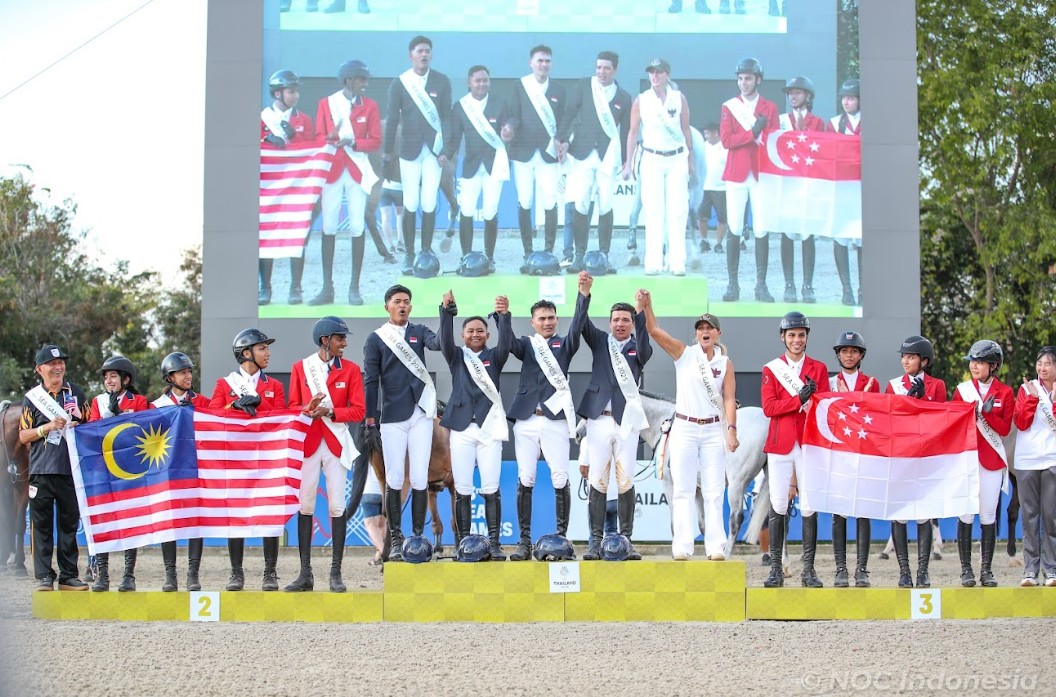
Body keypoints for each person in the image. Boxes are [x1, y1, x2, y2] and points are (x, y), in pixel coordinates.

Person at [502, 278, 589, 560]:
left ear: (556, 320)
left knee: (560, 477)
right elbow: (508, 343)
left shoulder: (565, 344)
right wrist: (504, 315)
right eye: (542, 318)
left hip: (555, 420)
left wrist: (583, 295)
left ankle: (561, 538)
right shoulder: (527, 345)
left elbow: (578, 325)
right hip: (527, 419)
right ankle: (524, 542)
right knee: (525, 477)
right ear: (533, 322)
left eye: (551, 318)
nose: (547, 322)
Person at [644, 307, 738, 564]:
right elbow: (654, 330)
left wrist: (731, 430)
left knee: (714, 490)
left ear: (718, 333)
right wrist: (647, 306)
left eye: (709, 328)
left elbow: (729, 399)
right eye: (700, 329)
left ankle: (716, 546)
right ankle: (682, 546)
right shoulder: (684, 354)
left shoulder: (725, 363)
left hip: (712, 429)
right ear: (696, 334)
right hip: (685, 427)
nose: (704, 332)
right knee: (683, 489)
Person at [286, 316, 366, 592]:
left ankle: (335, 573)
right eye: (340, 338)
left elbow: (358, 410)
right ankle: (305, 574)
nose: (344, 343)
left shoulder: (351, 370)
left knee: (337, 505)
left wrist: (331, 411)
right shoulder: (301, 368)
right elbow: (292, 406)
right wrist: (307, 408)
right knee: (305, 505)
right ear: (325, 340)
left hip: (335, 442)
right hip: (308, 442)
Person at [362, 284, 442, 561]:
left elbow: (439, 344)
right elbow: (371, 381)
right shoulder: (376, 339)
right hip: (393, 416)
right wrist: (370, 420)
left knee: (419, 476)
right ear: (387, 306)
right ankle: (395, 539)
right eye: (397, 301)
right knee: (394, 477)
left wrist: (446, 314)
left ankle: (417, 537)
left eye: (406, 301)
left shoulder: (419, 331)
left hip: (421, 413)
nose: (403, 305)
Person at [575, 277, 652, 560]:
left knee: (626, 480)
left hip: (626, 422)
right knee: (597, 481)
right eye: (616, 320)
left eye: (626, 320)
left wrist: (641, 311)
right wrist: (584, 294)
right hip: (598, 419)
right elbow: (580, 324)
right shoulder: (599, 341)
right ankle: (595, 543)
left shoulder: (639, 348)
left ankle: (625, 541)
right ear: (609, 323)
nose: (620, 324)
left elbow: (644, 348)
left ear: (632, 324)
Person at [210, 328, 287, 591]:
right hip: (236, 458)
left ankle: (270, 572)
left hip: (266, 458)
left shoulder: (275, 386)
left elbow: (280, 420)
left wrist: (260, 405)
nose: (268, 353)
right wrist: (233, 406)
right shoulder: (224, 384)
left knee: (270, 513)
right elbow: (213, 417)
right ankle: (236, 573)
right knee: (235, 515)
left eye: (267, 348)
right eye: (262, 348)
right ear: (246, 353)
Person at [438, 290, 513, 558]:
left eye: (480, 330)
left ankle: (494, 543)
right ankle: (464, 543)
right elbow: (444, 339)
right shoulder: (456, 356)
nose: (475, 334)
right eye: (470, 331)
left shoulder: (496, 356)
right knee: (463, 489)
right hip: (462, 429)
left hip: (489, 429)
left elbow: (506, 342)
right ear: (463, 335)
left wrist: (504, 316)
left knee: (491, 487)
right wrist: (446, 311)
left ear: (487, 334)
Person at [761, 312, 829, 587]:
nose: (797, 340)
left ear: (806, 338)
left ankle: (808, 570)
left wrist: (811, 401)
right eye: (792, 335)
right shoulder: (771, 369)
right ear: (783, 337)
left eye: (801, 335)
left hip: (809, 443)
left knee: (809, 505)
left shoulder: (819, 369)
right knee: (778, 504)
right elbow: (769, 408)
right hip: (781, 443)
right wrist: (798, 399)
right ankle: (776, 569)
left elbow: (824, 408)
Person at [19, 345, 89, 591]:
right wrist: (46, 428)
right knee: (42, 526)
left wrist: (80, 421)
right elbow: (23, 435)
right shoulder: (32, 398)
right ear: (40, 369)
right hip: (41, 470)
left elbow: (89, 425)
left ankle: (68, 576)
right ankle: (44, 577)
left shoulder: (76, 393)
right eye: (52, 364)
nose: (58, 367)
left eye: (61, 363)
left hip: (70, 470)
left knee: (69, 526)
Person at [557, 51, 632, 274]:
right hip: (582, 153)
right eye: (598, 67)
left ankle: (603, 256)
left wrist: (627, 161)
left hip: (608, 156)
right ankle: (579, 255)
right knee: (580, 203)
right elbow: (568, 114)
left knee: (606, 204)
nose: (601, 72)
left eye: (606, 68)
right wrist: (562, 139)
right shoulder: (584, 86)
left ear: (615, 70)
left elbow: (626, 132)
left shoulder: (624, 97)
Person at [314, 60, 382, 306]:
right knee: (329, 226)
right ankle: (327, 288)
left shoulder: (370, 106)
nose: (365, 84)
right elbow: (319, 137)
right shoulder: (326, 104)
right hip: (332, 169)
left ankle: (354, 287)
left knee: (356, 226)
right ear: (349, 80)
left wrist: (353, 142)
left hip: (356, 170)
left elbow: (375, 140)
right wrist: (330, 138)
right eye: (361, 79)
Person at [384, 36, 453, 275]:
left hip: (434, 151)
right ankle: (410, 253)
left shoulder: (442, 81)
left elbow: (447, 118)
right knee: (411, 202)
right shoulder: (400, 83)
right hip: (409, 150)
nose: (424, 54)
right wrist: (387, 153)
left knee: (429, 201)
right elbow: (392, 120)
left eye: (427, 51)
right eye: (420, 51)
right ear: (411, 55)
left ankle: (426, 250)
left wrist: (446, 149)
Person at [952, 340, 1014, 588]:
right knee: (966, 514)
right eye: (972, 362)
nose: (974, 366)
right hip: (966, 459)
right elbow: (954, 425)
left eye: (980, 362)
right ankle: (966, 570)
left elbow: (1004, 429)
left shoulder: (1005, 392)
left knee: (988, 515)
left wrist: (987, 414)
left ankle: (986, 570)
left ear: (994, 365)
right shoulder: (962, 391)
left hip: (991, 460)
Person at [885, 335, 947, 587]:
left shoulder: (937, 386)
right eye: (904, 357)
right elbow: (890, 420)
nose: (905, 361)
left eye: (911, 357)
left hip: (926, 456)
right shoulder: (893, 386)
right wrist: (910, 399)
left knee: (924, 515)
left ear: (924, 361)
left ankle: (922, 571)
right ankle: (904, 571)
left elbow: (939, 420)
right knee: (899, 515)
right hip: (901, 456)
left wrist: (923, 401)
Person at [622, 58, 693, 277]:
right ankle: (653, 260)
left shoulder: (678, 98)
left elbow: (686, 129)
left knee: (678, 210)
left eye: (659, 72)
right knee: (653, 210)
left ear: (667, 75)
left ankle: (677, 260)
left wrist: (690, 158)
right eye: (652, 72)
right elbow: (633, 132)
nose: (655, 76)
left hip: (676, 158)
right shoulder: (641, 100)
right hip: (652, 157)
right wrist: (628, 163)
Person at [442, 65, 513, 274]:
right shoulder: (460, 107)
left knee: (490, 211)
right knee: (466, 211)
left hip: (494, 165)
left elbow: (509, 124)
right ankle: (466, 257)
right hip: (471, 165)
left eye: (485, 80)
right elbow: (455, 137)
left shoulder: (500, 104)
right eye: (478, 81)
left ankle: (489, 258)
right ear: (469, 82)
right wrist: (446, 153)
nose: (482, 84)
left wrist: (509, 130)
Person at [87, 356, 149, 592]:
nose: (108, 381)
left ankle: (128, 575)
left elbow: (141, 430)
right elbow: (91, 433)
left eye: (113, 376)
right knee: (103, 520)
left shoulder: (139, 401)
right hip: (103, 469)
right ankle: (102, 575)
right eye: (106, 377)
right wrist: (107, 417)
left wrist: (120, 415)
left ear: (126, 379)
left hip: (129, 469)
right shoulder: (98, 402)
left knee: (130, 520)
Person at [719, 57, 779, 302]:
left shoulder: (770, 107)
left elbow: (775, 141)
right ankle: (733, 284)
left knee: (761, 228)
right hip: (737, 173)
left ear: (758, 80)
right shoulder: (729, 107)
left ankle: (761, 285)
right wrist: (752, 131)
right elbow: (726, 140)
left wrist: (760, 133)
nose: (744, 83)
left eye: (748, 78)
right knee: (734, 227)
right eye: (741, 79)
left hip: (762, 173)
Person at [151, 352, 209, 592]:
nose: (188, 376)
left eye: (189, 371)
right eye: (182, 372)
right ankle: (170, 574)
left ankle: (193, 573)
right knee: (169, 521)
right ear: (169, 377)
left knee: (196, 520)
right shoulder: (156, 406)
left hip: (196, 468)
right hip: (168, 470)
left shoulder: (203, 402)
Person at [259, 69, 316, 307]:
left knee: (297, 238)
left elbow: (311, 151)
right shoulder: (262, 119)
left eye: (296, 91)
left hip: (296, 188)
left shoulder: (304, 120)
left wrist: (295, 139)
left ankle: (296, 287)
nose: (296, 96)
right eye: (291, 91)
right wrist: (264, 140)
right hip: (271, 189)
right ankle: (265, 287)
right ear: (277, 93)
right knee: (267, 238)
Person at [827, 331, 880, 587]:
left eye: (854, 351)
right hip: (838, 454)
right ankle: (840, 568)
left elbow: (875, 419)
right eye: (845, 351)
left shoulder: (872, 383)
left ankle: (862, 569)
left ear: (861, 355)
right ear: (838, 355)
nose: (849, 355)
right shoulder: (829, 383)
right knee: (839, 513)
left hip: (864, 453)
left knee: (863, 512)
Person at [508, 45, 566, 267]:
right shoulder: (519, 86)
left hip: (548, 155)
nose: (543, 65)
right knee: (525, 201)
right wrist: (508, 129)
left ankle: (549, 252)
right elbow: (514, 116)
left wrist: (561, 140)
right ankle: (528, 252)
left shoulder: (559, 90)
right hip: (523, 154)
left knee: (550, 200)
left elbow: (563, 121)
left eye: (547, 61)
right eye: (540, 61)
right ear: (531, 63)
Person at [776, 76, 826, 304]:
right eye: (790, 93)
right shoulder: (781, 121)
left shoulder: (818, 122)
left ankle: (807, 285)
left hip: (808, 183)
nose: (792, 96)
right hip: (786, 183)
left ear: (808, 95)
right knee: (787, 232)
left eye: (797, 92)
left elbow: (821, 152)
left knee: (807, 233)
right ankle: (789, 284)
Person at [1013, 346, 1056, 587]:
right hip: (1027, 459)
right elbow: (1021, 422)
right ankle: (1030, 570)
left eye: (1048, 363)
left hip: (1053, 458)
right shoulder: (1027, 389)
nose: (1042, 368)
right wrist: (1031, 398)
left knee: (1051, 516)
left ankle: (1051, 570)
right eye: (1040, 363)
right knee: (1029, 515)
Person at [828, 78, 862, 306]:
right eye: (844, 98)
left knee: (861, 239)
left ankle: (863, 288)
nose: (846, 102)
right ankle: (846, 288)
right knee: (840, 236)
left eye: (851, 98)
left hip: (861, 186)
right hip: (841, 186)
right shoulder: (834, 123)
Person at [698, 122, 729, 253]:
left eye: (707, 133)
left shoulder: (726, 147)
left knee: (722, 218)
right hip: (704, 188)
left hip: (721, 188)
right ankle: (704, 241)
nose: (705, 136)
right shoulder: (701, 147)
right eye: (704, 133)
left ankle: (719, 244)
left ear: (716, 133)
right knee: (702, 216)